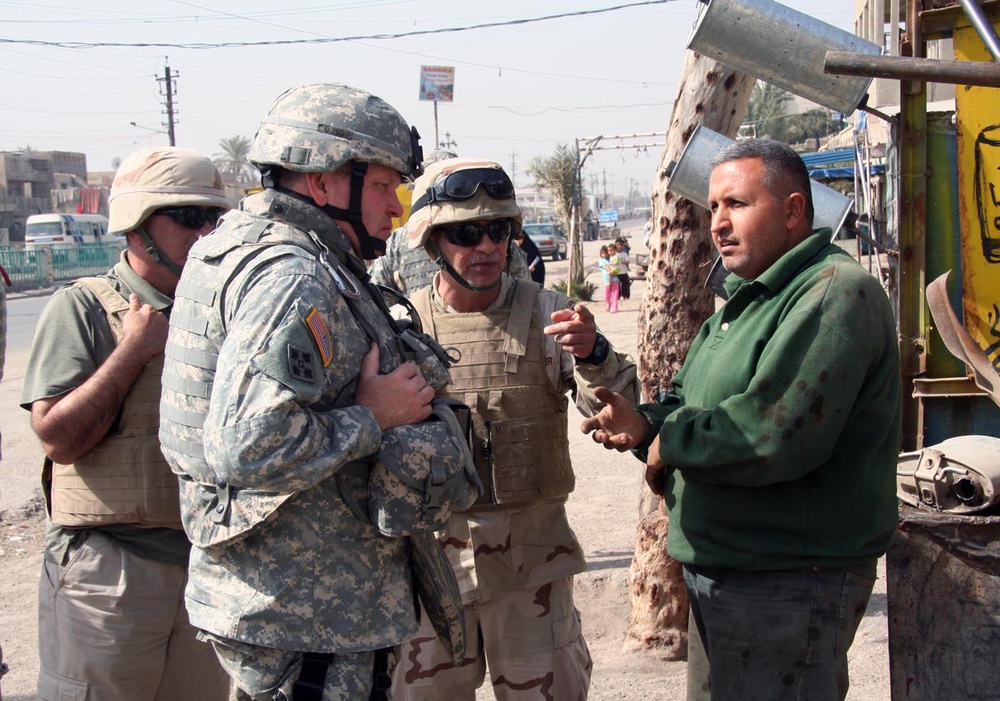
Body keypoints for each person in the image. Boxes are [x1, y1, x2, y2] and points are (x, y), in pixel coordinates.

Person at [158, 83, 478, 700]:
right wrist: (373, 416)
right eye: (385, 187)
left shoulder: (246, 251)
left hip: (292, 602)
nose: (396, 210)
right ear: (325, 181)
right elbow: (247, 447)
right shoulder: (292, 277)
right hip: (308, 617)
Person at [581, 139, 901, 701]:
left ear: (793, 210)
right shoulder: (748, 299)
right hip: (730, 571)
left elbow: (770, 434)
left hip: (788, 581)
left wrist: (668, 442)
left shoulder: (833, 294)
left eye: (738, 204)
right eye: (714, 209)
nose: (720, 224)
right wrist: (644, 425)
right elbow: (687, 400)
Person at [395, 157, 639, 700]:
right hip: (432, 571)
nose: (485, 246)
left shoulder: (552, 316)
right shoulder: (401, 329)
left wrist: (596, 353)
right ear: (433, 240)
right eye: (465, 232)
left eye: (497, 230)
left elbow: (623, 403)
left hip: (533, 567)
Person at [20, 146, 232, 701]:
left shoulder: (219, 314)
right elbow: (58, 439)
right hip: (110, 571)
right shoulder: (84, 309)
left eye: (216, 218)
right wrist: (133, 351)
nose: (207, 231)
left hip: (205, 564)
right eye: (189, 218)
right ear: (137, 227)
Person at [368, 149, 530, 296]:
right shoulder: (397, 242)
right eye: (464, 234)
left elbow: (524, 296)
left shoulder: (496, 238)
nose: (485, 247)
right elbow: (377, 302)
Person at [597, 244, 620, 313]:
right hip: (607, 281)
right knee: (607, 295)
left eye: (606, 252)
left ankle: (614, 307)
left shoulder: (612, 258)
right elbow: (605, 267)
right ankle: (608, 304)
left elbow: (617, 266)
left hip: (615, 279)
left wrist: (615, 272)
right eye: (603, 253)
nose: (605, 254)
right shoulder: (602, 260)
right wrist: (611, 271)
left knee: (615, 294)